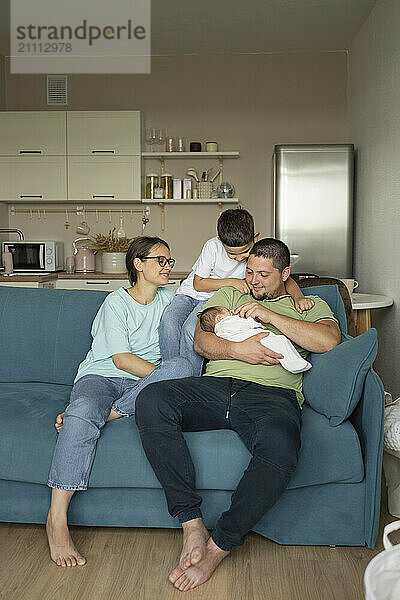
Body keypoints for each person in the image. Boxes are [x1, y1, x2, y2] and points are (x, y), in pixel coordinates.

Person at [135, 238, 341, 592]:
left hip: (273, 397)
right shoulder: (232, 295)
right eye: (249, 271)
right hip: (215, 388)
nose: (254, 280)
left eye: (264, 274)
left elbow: (329, 341)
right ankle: (192, 524)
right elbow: (202, 342)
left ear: (284, 274)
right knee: (152, 399)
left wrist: (269, 316)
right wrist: (237, 349)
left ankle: (219, 545)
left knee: (282, 447)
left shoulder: (309, 305)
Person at [46, 236, 193, 568]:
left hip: (141, 386)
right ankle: (57, 520)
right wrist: (160, 376)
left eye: (170, 261)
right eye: (162, 261)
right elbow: (123, 359)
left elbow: (202, 295)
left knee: (182, 367)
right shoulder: (116, 301)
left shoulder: (171, 299)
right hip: (102, 376)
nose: (168, 267)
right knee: (83, 410)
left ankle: (110, 413)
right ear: (139, 264)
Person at [159, 208, 314, 374]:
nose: (240, 258)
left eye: (244, 252)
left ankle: (189, 378)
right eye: (232, 254)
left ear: (255, 238)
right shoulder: (213, 246)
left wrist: (298, 297)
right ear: (220, 240)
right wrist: (233, 282)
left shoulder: (257, 254)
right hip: (189, 293)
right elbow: (198, 284)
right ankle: (171, 374)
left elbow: (283, 277)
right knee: (169, 321)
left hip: (211, 300)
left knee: (191, 330)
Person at [199, 306, 311, 373]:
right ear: (220, 318)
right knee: (281, 342)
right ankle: (295, 364)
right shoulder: (225, 324)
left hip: (253, 341)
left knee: (281, 344)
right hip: (257, 341)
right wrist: (252, 322)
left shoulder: (220, 331)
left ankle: (294, 362)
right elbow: (241, 325)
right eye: (227, 311)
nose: (231, 312)